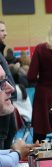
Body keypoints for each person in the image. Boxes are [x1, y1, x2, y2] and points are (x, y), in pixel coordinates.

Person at [0, 21, 17, 149]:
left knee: (10, 133)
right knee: (3, 136)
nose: (5, 33)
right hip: (2, 102)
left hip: (6, 100)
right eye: (1, 30)